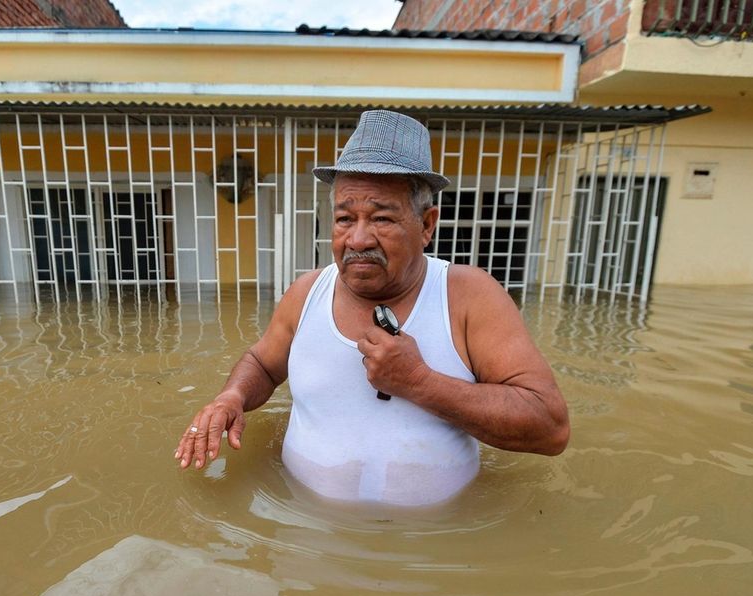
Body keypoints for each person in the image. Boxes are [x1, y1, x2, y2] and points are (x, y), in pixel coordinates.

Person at [175, 110, 569, 506]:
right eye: (345, 218)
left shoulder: (466, 295)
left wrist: (419, 381)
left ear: (427, 224)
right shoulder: (307, 292)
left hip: (433, 550)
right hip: (304, 537)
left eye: (381, 218)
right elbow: (262, 363)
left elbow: (550, 428)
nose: (358, 239)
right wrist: (232, 398)